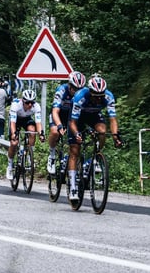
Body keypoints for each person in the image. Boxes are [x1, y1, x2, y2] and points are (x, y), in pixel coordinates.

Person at [68, 75, 122, 203]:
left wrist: (116, 136)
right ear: (90, 92)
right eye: (95, 96)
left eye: (101, 96)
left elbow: (112, 119)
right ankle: (73, 187)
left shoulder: (108, 96)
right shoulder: (80, 97)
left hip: (94, 115)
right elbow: (72, 123)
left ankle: (94, 159)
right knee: (75, 150)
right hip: (78, 118)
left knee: (102, 131)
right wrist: (76, 134)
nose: (99, 99)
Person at [46, 71, 87, 174]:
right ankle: (51, 156)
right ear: (69, 85)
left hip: (73, 117)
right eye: (74, 88)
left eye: (79, 89)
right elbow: (55, 111)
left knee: (77, 141)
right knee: (55, 132)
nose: (77, 91)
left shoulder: (84, 94)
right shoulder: (61, 90)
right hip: (59, 115)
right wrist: (59, 125)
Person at [6, 89, 42, 181]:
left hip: (27, 119)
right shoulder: (15, 105)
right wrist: (14, 134)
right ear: (23, 101)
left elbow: (38, 123)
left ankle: (30, 155)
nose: (30, 105)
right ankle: (10, 165)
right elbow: (13, 123)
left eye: (32, 102)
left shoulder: (36, 106)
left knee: (32, 131)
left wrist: (41, 134)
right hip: (16, 120)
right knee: (14, 143)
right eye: (27, 102)